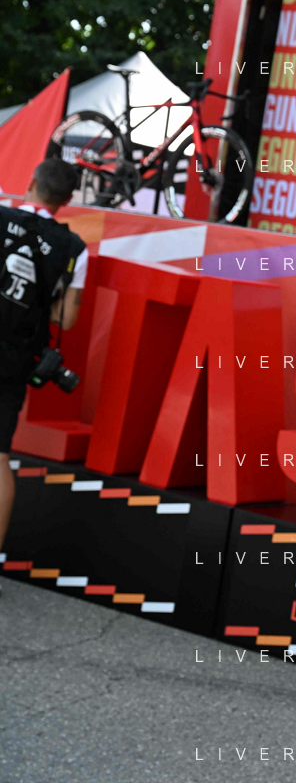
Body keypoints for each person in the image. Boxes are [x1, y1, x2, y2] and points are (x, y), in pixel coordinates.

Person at [0, 159, 88, 598]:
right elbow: (66, 319)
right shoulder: (73, 247)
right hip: (13, 359)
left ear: (31, 182)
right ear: (67, 200)